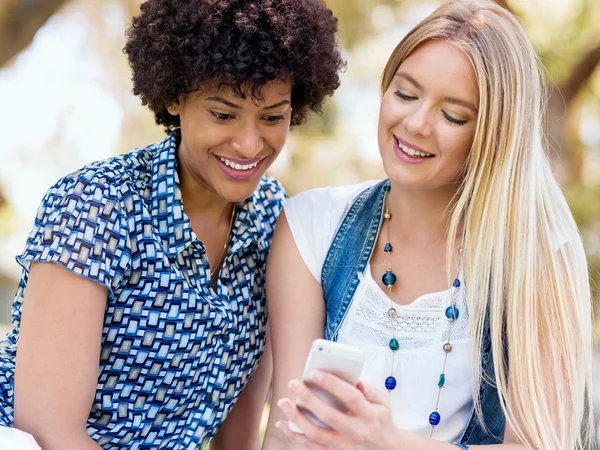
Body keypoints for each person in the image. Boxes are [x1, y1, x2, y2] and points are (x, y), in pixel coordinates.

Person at [0, 0, 343, 449]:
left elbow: (236, 428)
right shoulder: (97, 205)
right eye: (223, 114)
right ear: (176, 96)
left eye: (273, 117)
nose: (249, 143)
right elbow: (47, 432)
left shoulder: (275, 219)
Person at [263, 1, 594, 449]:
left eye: (453, 115)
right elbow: (287, 436)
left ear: (494, 134)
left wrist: (385, 441)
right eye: (405, 94)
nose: (415, 124)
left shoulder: (538, 256)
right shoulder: (311, 227)